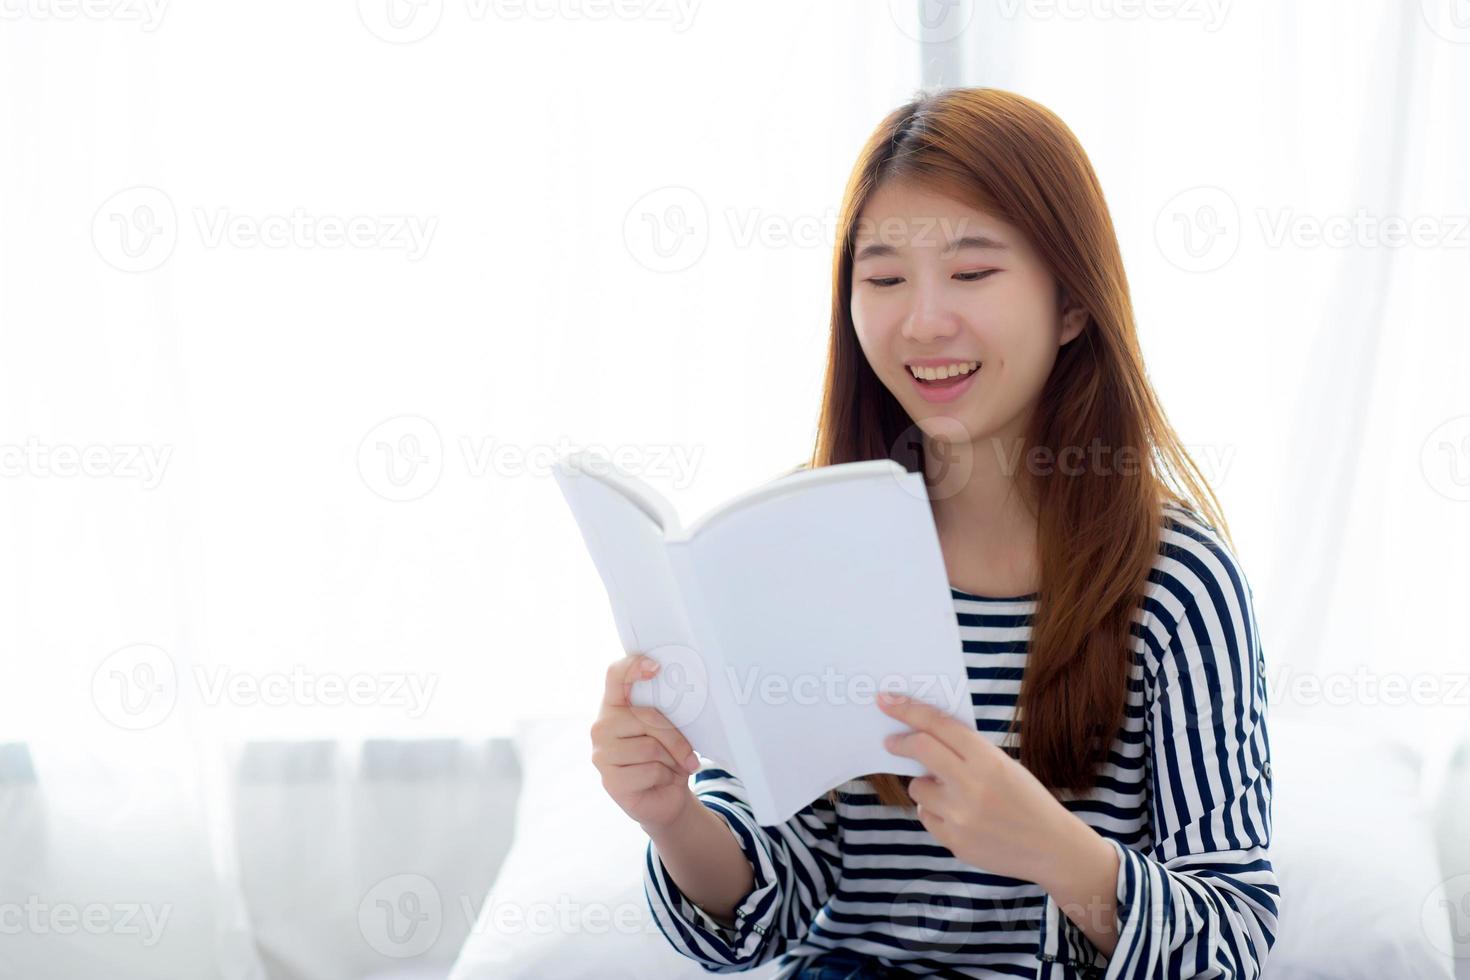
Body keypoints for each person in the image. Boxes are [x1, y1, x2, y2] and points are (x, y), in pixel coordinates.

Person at [589, 86, 1278, 979]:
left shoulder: (1177, 580)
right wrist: (669, 813)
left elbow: (1232, 939)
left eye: (973, 272)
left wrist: (1054, 850)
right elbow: (759, 912)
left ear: (1072, 305)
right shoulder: (797, 541)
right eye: (882, 279)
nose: (922, 322)